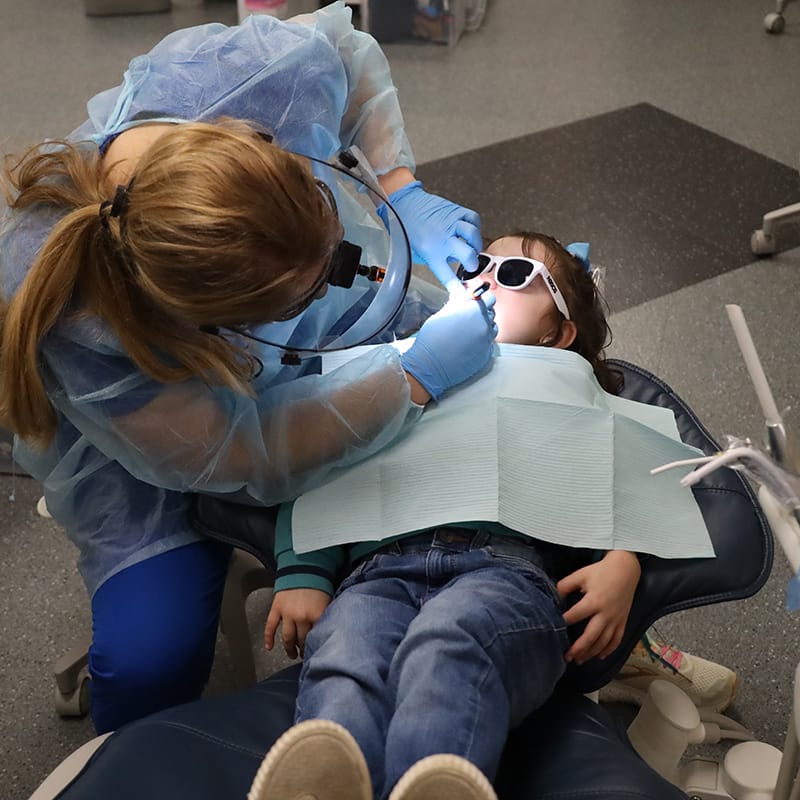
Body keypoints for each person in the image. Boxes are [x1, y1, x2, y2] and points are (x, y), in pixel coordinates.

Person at [0, 1, 498, 734]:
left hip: (242, 372)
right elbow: (243, 449)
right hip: (142, 465)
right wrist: (411, 379)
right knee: (151, 660)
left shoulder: (255, 82)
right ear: (215, 322)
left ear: (260, 140)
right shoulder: (84, 317)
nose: (350, 269)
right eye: (308, 285)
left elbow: (350, 56)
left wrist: (397, 188)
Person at [256, 231, 646, 800]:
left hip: (504, 577)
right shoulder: (399, 370)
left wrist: (624, 559)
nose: (484, 276)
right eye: (478, 263)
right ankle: (328, 777)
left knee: (449, 641)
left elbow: (634, 479)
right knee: (346, 649)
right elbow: (326, 462)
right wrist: (305, 572)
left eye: (513, 274)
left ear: (557, 334)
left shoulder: (577, 398)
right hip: (377, 573)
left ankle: (433, 779)